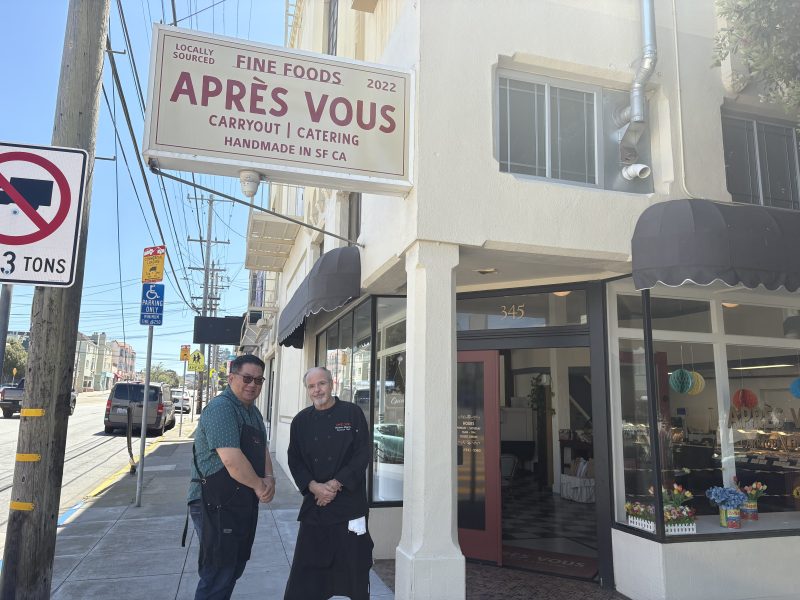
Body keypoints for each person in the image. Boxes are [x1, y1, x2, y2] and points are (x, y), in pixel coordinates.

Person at [186, 354, 275, 600]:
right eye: (247, 378)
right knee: (218, 571)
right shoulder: (221, 408)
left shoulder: (253, 413)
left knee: (234, 567)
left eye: (258, 380)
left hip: (241, 502)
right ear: (231, 377)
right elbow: (231, 460)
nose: (252, 385)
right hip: (213, 503)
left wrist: (269, 478)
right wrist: (260, 485)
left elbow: (262, 449)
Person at [284, 366, 373, 600]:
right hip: (316, 505)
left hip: (350, 506)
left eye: (321, 384)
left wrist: (335, 484)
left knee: (356, 566)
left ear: (332, 384)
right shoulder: (300, 421)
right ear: (307, 390)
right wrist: (314, 487)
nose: (317, 390)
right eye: (311, 386)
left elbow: (362, 453)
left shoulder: (352, 413)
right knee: (307, 569)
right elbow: (294, 459)